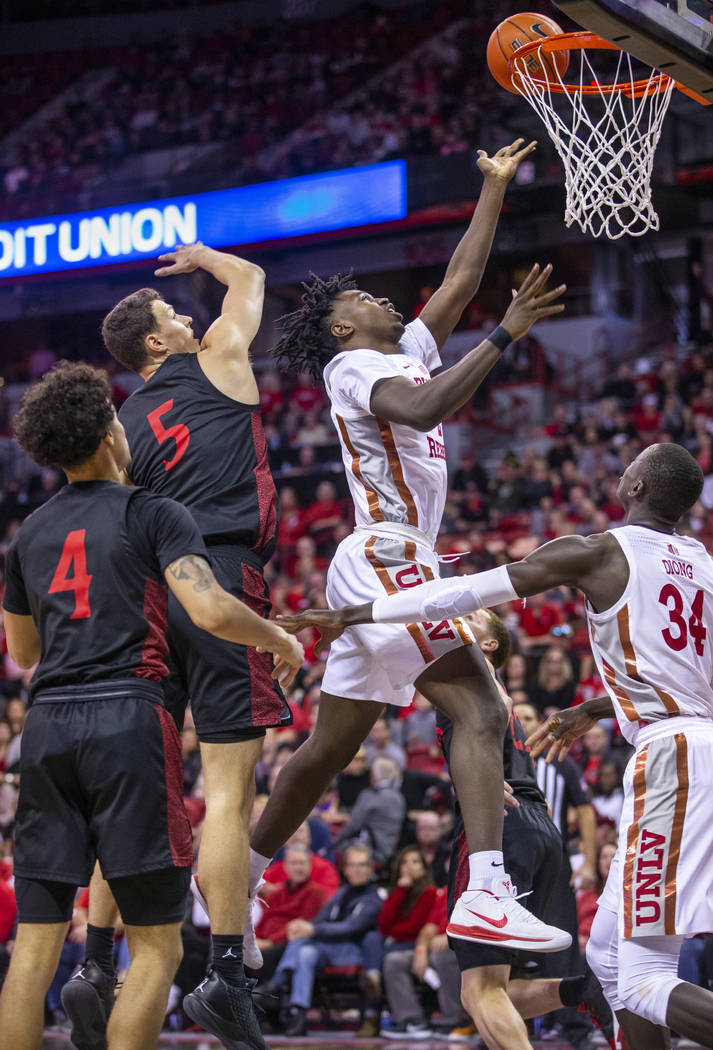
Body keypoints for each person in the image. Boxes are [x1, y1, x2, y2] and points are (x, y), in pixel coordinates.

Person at [249, 138, 569, 955]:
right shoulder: (354, 367)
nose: (384, 300)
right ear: (342, 325)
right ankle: (488, 894)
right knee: (484, 708)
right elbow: (422, 413)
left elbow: (459, 282)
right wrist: (503, 337)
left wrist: (492, 189)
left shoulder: (400, 349)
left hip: (389, 555)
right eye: (361, 295)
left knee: (327, 751)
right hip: (388, 550)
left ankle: (232, 888)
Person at [289, 442, 713, 1050]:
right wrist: (593, 707)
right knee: (609, 961)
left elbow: (463, 594)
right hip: (691, 742)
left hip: (670, 756)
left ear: (639, 485)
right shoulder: (702, 564)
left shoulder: (598, 551)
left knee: (642, 980)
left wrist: (357, 612)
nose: (622, 471)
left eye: (630, 465)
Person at [0, 363, 303, 1050]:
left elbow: (23, 653)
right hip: (127, 721)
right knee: (159, 948)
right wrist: (277, 634)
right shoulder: (153, 511)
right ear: (111, 432)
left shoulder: (30, 533)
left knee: (32, 951)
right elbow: (210, 608)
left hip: (45, 728)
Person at [87, 243, 288, 1047]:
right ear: (158, 344)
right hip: (223, 577)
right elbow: (253, 279)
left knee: (144, 789)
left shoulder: (122, 428)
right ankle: (227, 972)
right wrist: (203, 257)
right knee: (229, 790)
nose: (190, 315)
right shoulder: (220, 360)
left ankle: (96, 963)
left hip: (149, 596)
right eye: (175, 314)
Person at [267, 842, 382, 1038]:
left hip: (356, 951)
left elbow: (350, 928)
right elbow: (320, 920)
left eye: (362, 865)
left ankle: (277, 985)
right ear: (345, 869)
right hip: (331, 949)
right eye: (352, 865)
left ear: (370, 868)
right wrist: (304, 927)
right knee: (305, 951)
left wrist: (310, 928)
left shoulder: (373, 897)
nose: (357, 870)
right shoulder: (342, 893)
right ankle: (299, 1014)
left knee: (304, 940)